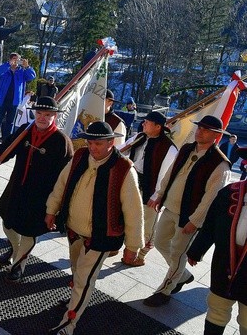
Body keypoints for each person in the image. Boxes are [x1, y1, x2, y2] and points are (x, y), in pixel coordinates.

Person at [45, 121, 143, 335]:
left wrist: (133, 246)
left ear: (111, 142)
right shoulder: (80, 156)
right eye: (90, 142)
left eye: (98, 143)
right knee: (77, 272)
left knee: (83, 279)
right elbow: (61, 184)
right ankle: (76, 302)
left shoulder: (124, 169)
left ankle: (68, 324)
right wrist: (51, 209)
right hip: (73, 230)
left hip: (100, 237)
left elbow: (134, 211)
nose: (92, 147)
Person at [143, 115, 232, 307]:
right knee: (159, 242)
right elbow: (170, 173)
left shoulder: (220, 163)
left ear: (216, 135)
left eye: (205, 129)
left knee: (178, 253)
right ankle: (182, 275)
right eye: (199, 127)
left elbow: (211, 198)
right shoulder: (186, 149)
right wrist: (160, 194)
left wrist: (195, 220)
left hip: (189, 216)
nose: (199, 131)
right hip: (169, 208)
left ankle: (164, 291)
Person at [0, 96, 73, 281]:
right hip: (17, 188)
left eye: (47, 115)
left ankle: (18, 266)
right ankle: (14, 248)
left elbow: (64, 179)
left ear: (55, 116)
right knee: (8, 224)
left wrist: (55, 207)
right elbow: (7, 147)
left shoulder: (62, 142)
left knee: (29, 231)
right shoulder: (25, 131)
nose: (42, 118)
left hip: (40, 197)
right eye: (39, 113)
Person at [187, 173, 247, 335]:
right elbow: (210, 224)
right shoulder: (229, 192)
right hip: (224, 262)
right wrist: (196, 250)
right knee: (217, 307)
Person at [119, 111, 178, 266]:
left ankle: (140, 255)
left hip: (151, 189)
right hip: (132, 182)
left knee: (147, 223)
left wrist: (157, 194)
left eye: (147, 122)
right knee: (124, 215)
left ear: (158, 127)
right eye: (144, 121)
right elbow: (121, 150)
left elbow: (167, 174)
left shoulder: (169, 148)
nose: (143, 123)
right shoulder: (140, 137)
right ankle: (121, 247)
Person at [0, 53, 36, 141]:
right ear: (10, 59)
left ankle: (6, 141)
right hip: (2, 100)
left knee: (10, 122)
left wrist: (27, 67)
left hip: (14, 101)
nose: (16, 61)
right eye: (14, 59)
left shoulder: (22, 72)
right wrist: (8, 64)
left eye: (18, 59)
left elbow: (32, 76)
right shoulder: (5, 70)